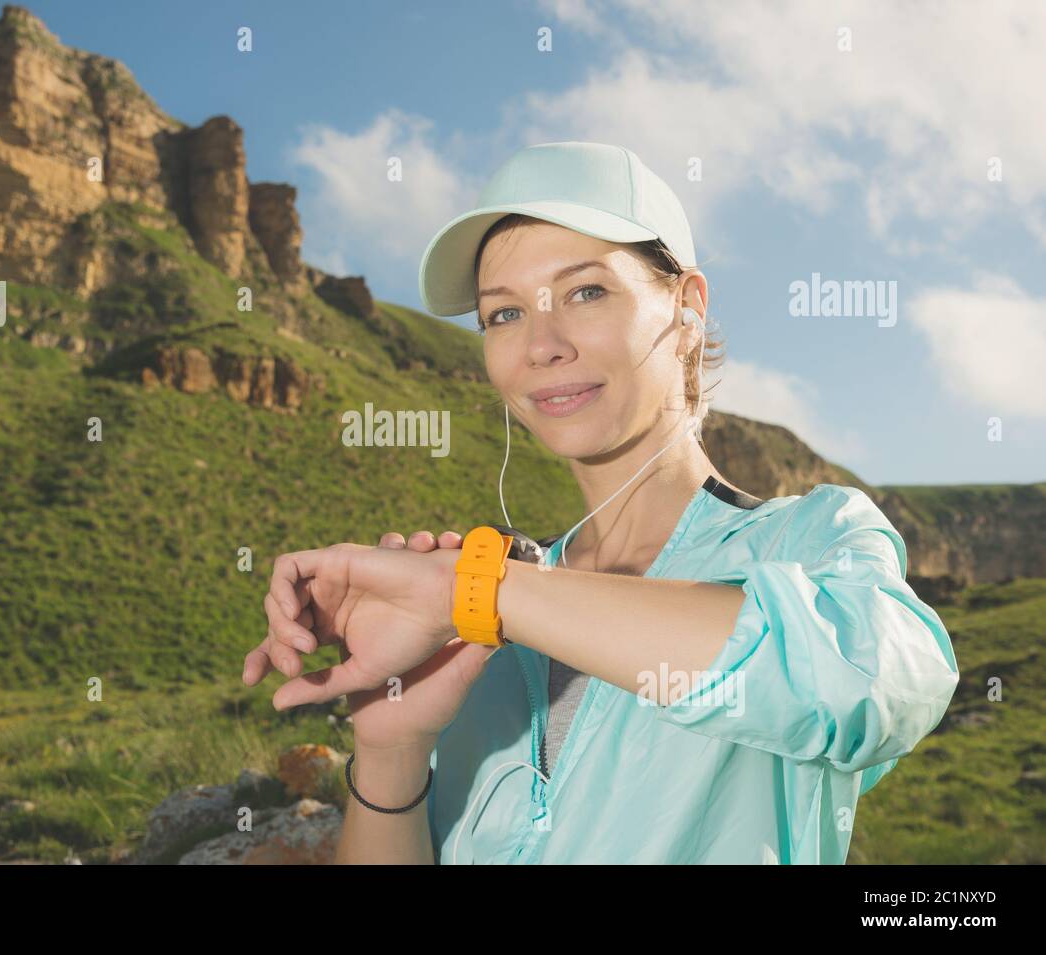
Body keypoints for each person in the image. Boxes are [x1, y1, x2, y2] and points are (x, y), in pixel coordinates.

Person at [242, 142, 960, 864]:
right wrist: (393, 745)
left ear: (686, 308)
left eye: (586, 292)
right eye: (503, 315)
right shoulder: (469, 638)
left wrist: (483, 588)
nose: (540, 346)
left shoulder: (811, 536)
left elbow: (873, 688)